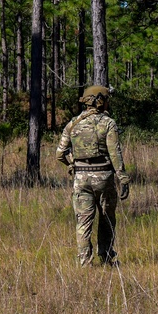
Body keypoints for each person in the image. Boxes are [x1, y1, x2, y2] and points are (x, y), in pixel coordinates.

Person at [56, 85, 131, 266]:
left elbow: (59, 154)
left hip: (80, 179)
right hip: (104, 177)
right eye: (106, 99)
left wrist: (72, 164)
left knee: (83, 222)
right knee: (106, 218)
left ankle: (85, 263)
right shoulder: (108, 123)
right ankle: (106, 257)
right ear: (99, 101)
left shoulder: (73, 123)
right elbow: (115, 154)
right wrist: (123, 178)